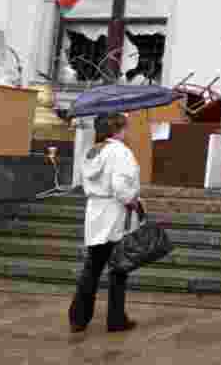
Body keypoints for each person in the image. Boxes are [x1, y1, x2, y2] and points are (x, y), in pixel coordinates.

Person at [69, 112, 141, 334]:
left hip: (95, 212)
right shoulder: (120, 152)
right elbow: (121, 187)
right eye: (125, 127)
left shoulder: (92, 151)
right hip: (115, 213)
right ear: (118, 130)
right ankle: (116, 319)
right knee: (119, 269)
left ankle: (78, 318)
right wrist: (133, 201)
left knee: (92, 267)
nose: (127, 132)